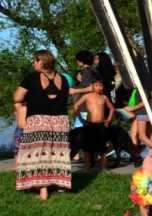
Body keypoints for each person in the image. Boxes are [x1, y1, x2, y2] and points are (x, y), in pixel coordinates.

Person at [13, 50, 71, 200]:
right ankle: (59, 184)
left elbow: (17, 97)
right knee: (56, 154)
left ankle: (43, 189)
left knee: (37, 154)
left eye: (35, 60)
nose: (33, 63)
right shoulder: (63, 79)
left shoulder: (32, 78)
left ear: (42, 61)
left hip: (39, 120)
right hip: (60, 121)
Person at [72, 81, 114, 171]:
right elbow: (76, 105)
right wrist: (81, 118)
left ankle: (103, 168)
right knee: (88, 148)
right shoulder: (87, 96)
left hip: (101, 125)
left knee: (103, 147)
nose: (99, 87)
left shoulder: (104, 97)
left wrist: (109, 119)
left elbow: (111, 108)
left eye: (101, 85)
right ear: (92, 86)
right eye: (97, 85)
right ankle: (87, 169)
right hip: (90, 124)